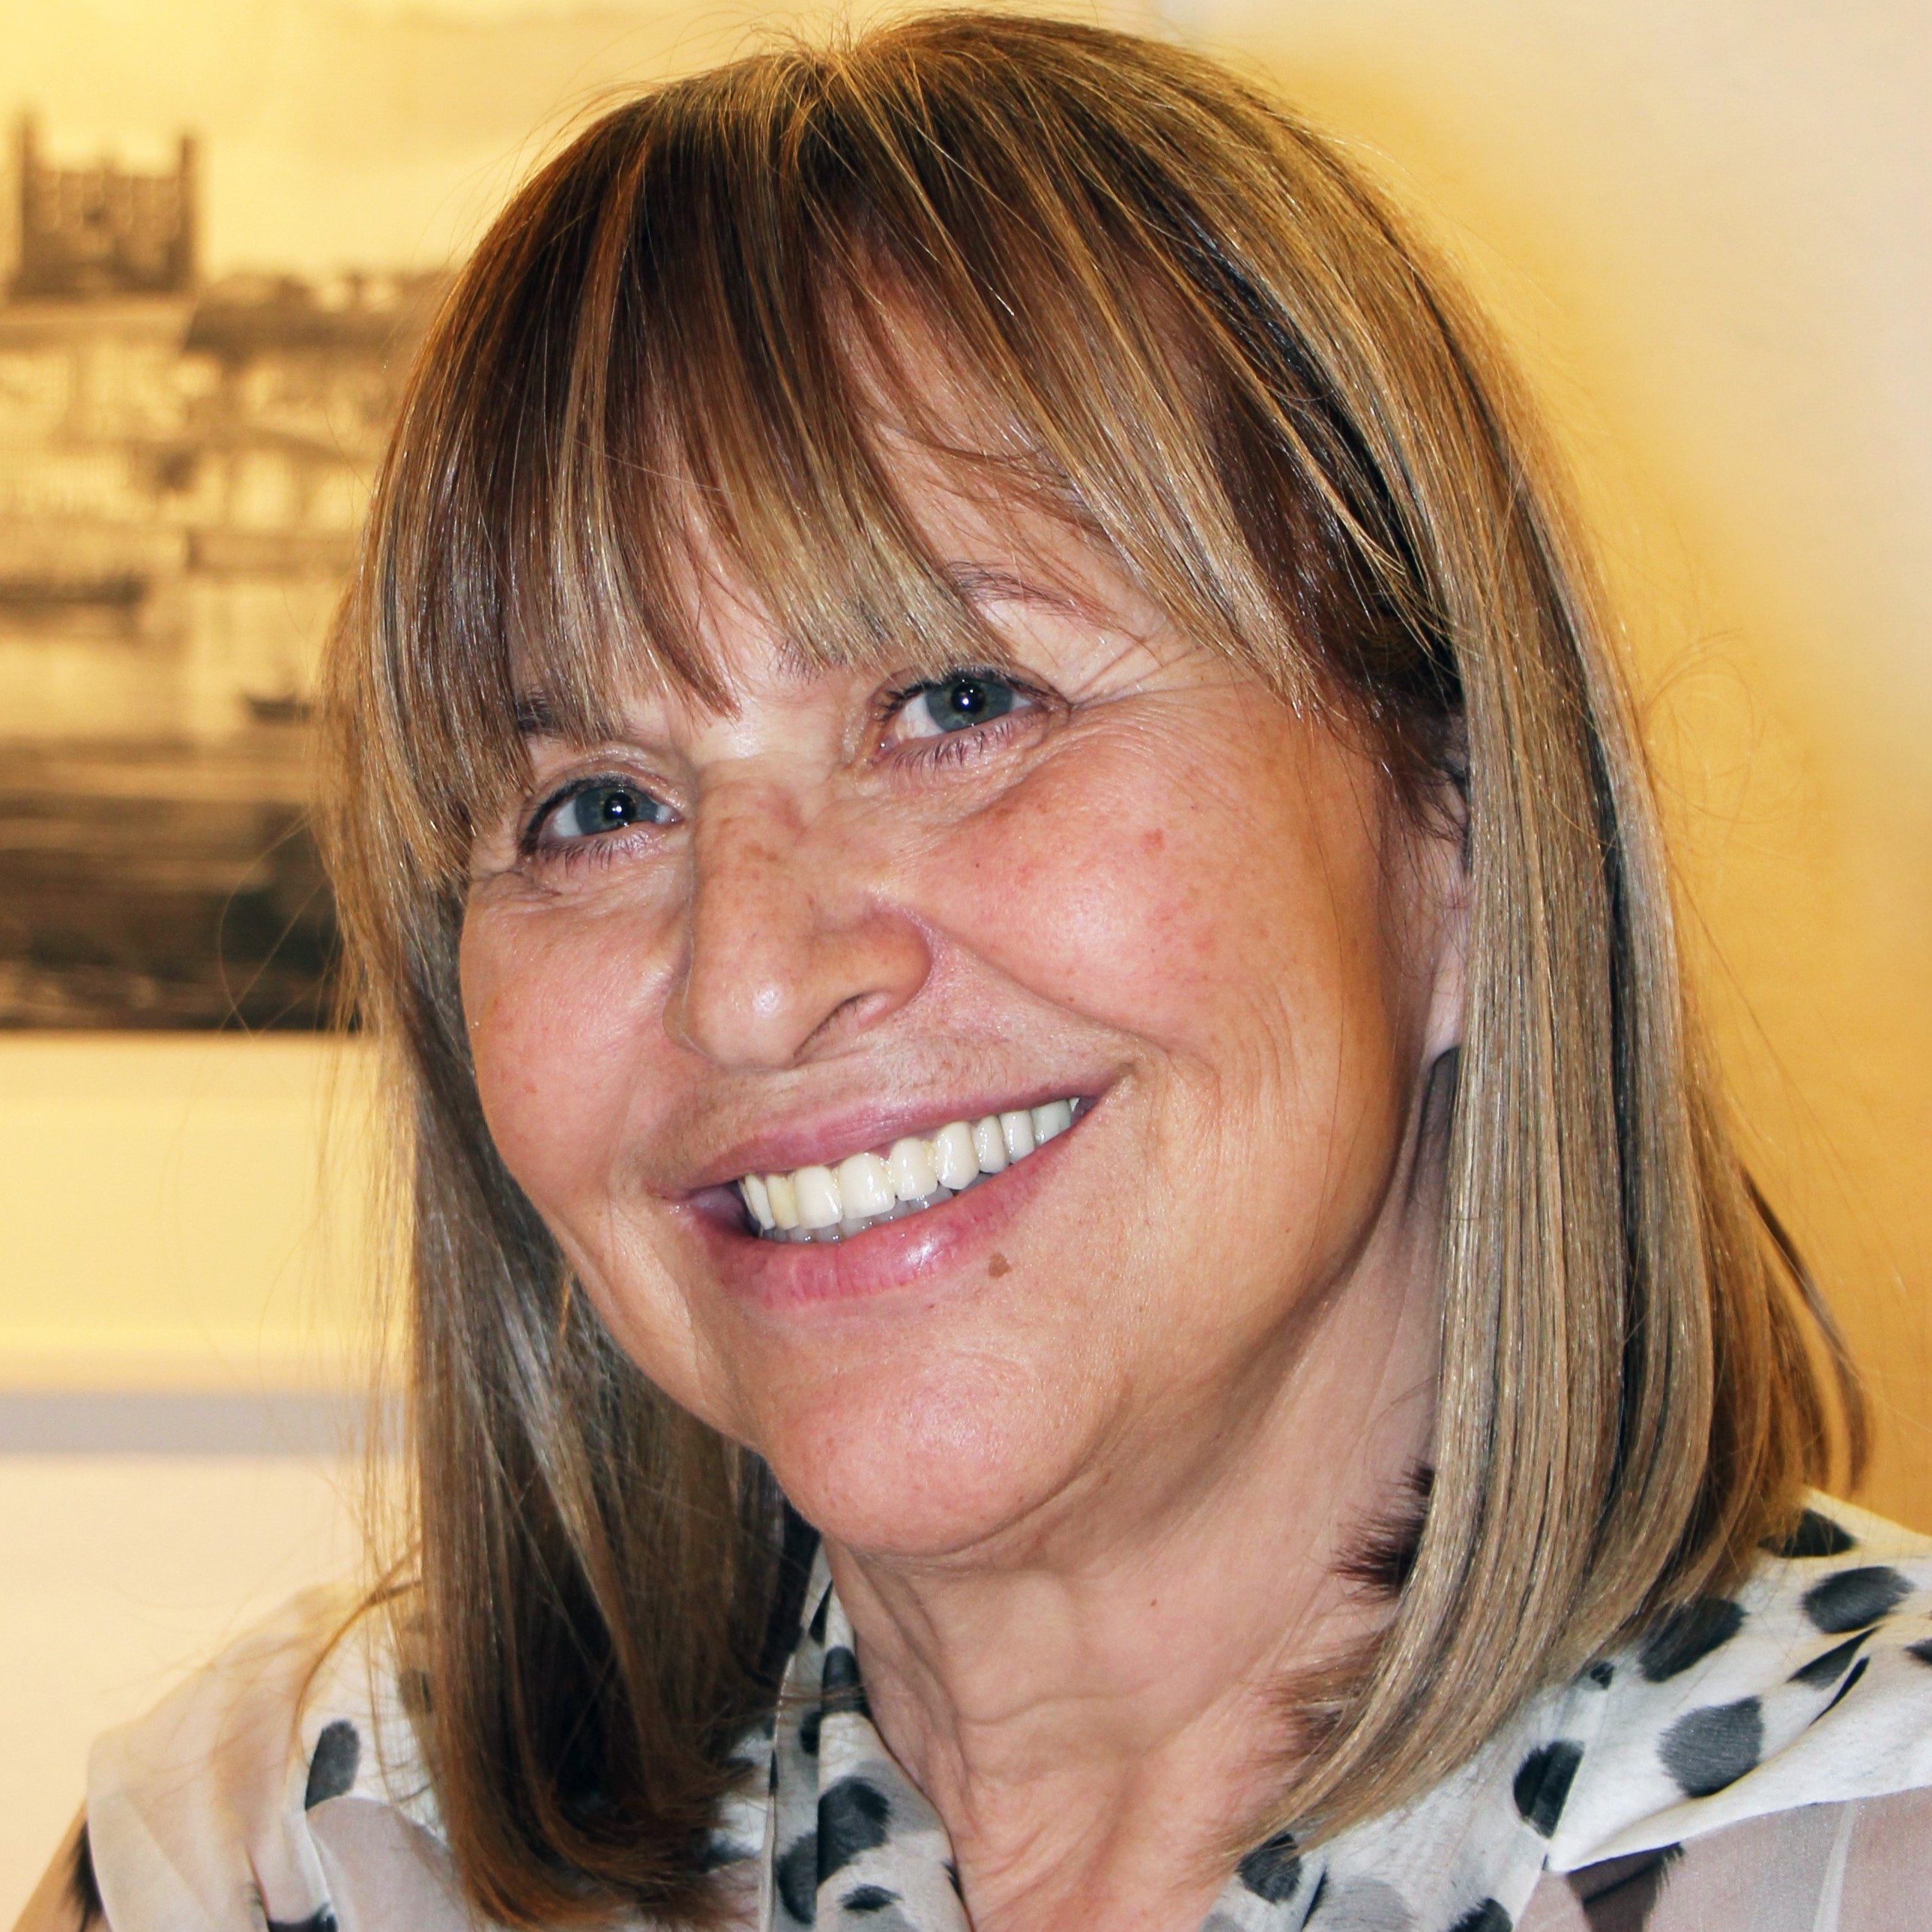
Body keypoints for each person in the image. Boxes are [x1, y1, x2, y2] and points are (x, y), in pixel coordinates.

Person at [20, 13, 1931, 1931]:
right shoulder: (290, 1861)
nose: (748, 983)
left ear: (1461, 821)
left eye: (955, 701)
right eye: (596, 807)